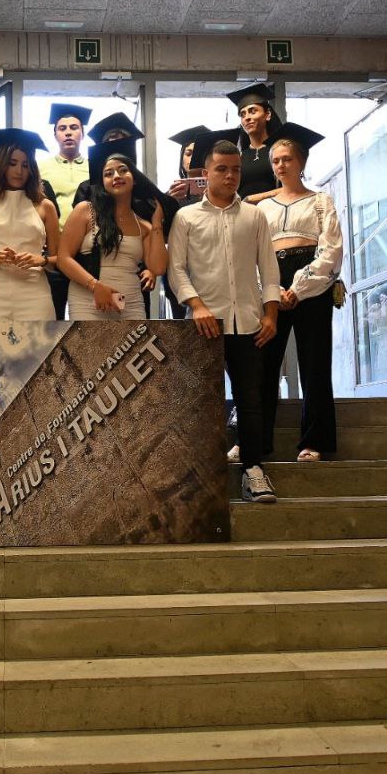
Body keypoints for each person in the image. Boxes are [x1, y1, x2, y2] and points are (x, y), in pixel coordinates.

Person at [168, 134, 280, 503]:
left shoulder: (254, 215)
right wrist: (196, 305)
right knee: (203, 402)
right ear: (206, 173)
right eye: (221, 169)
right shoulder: (186, 217)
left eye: (235, 170)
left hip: (249, 323)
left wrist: (271, 314)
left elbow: (269, 269)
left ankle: (253, 471)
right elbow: (176, 270)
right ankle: (202, 476)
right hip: (204, 325)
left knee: (250, 400)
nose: (230, 176)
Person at [257, 123, 341, 463]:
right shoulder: (262, 208)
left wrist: (298, 288)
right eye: (276, 160)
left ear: (301, 162)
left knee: (315, 363)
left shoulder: (320, 201)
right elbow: (253, 253)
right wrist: (272, 289)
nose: (281, 165)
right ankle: (255, 440)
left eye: (288, 159)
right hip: (271, 281)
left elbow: (331, 249)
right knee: (263, 365)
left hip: (313, 283)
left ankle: (314, 441)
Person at [58, 139, 166, 321]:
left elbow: (158, 267)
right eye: (108, 173)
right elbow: (63, 258)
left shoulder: (144, 226)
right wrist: (95, 286)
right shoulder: (85, 211)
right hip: (88, 301)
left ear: (134, 179)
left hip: (131, 304)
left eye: (123, 170)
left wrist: (156, 222)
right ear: (102, 182)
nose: (116, 176)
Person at [0, 128, 61, 322]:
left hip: (35, 294)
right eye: (12, 163)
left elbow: (60, 261)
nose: (19, 171)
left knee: (40, 343)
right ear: (2, 165)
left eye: (25, 165)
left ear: (32, 168)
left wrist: (41, 260)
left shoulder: (45, 206)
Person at [41, 103, 92, 317]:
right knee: (54, 314)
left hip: (88, 250)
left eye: (74, 127)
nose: (68, 132)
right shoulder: (41, 168)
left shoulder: (95, 167)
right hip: (54, 249)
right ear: (55, 135)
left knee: (88, 314)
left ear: (83, 133)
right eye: (62, 129)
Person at [160, 124, 210, 318]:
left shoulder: (220, 195)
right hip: (178, 269)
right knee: (183, 328)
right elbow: (160, 236)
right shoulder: (169, 195)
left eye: (198, 153)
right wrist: (167, 203)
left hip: (211, 268)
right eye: (188, 153)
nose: (193, 158)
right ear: (181, 160)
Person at [226, 83, 284, 202]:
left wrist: (254, 198)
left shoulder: (280, 151)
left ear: (267, 115)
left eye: (253, 111)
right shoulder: (239, 156)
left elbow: (292, 188)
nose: (247, 117)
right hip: (242, 212)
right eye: (242, 114)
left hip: (274, 211)